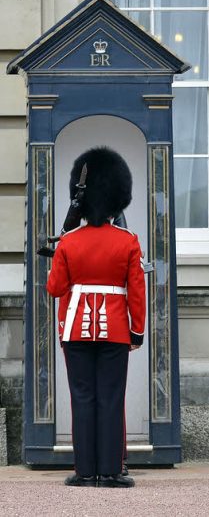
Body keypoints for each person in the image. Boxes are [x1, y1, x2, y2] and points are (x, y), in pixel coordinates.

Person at [47, 147, 146, 488]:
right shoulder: (128, 241)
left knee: (83, 397)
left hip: (74, 328)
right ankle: (111, 471)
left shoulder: (69, 242)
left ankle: (85, 471)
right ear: (118, 198)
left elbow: (55, 288)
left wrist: (61, 250)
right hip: (117, 329)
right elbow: (136, 292)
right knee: (111, 398)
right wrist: (137, 331)